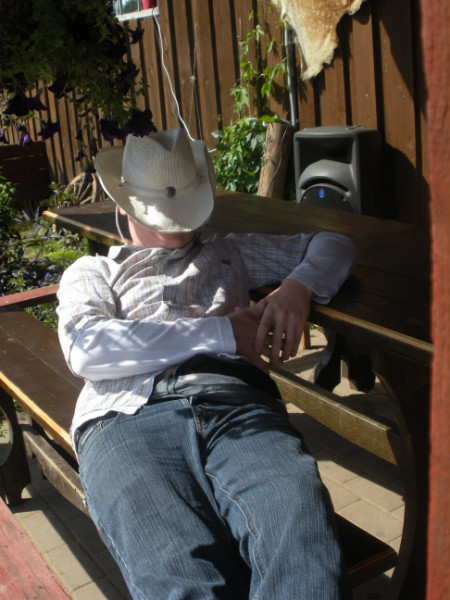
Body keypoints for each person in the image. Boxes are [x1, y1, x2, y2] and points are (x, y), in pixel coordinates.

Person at [57, 127, 357, 600]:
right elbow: (87, 348)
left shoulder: (227, 251)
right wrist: (221, 332)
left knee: (301, 538)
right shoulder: (95, 272)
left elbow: (335, 243)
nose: (176, 228)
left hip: (235, 403)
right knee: (177, 571)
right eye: (159, 215)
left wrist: (299, 286)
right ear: (124, 208)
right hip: (125, 416)